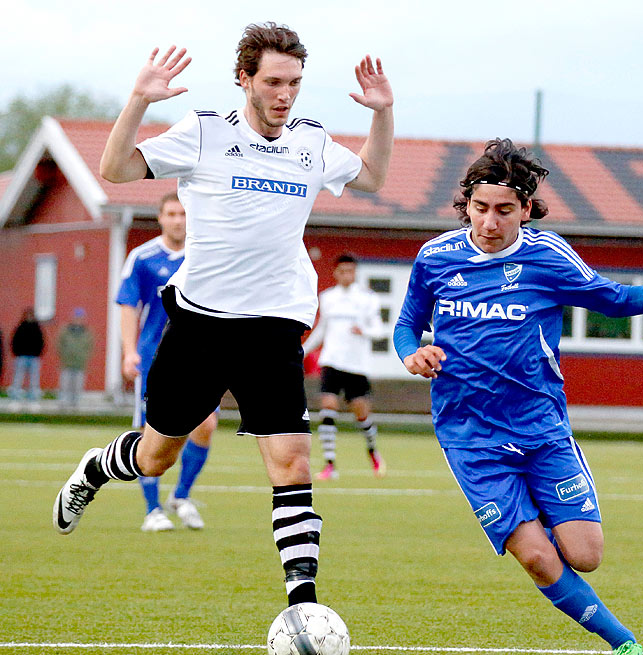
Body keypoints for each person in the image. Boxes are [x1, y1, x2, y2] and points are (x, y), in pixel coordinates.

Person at [53, 22, 394, 611]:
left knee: (291, 461)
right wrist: (138, 99)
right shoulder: (205, 133)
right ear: (245, 79)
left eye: (295, 82)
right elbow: (115, 168)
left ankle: (303, 606)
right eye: (273, 82)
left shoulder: (311, 142)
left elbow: (372, 177)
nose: (285, 94)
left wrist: (382, 114)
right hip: (201, 326)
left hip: (275, 326)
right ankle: (95, 468)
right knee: (157, 454)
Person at [393, 138, 643, 655]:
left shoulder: (547, 256)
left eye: (503, 210)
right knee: (538, 557)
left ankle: (538, 513)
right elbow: (407, 324)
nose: (489, 221)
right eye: (479, 208)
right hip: (470, 436)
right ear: (465, 205)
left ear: (526, 207)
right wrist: (413, 353)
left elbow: (612, 299)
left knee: (585, 553)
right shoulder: (436, 258)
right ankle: (624, 644)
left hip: (541, 429)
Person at [116, 192, 218, 532]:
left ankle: (181, 494)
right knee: (150, 431)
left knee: (206, 426)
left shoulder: (206, 256)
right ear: (160, 217)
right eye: (171, 214)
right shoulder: (142, 258)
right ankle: (152, 510)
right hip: (154, 359)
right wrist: (129, 351)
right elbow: (128, 306)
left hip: (201, 358)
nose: (178, 220)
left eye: (183, 214)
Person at [303, 253, 386, 480]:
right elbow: (322, 329)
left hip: (357, 365)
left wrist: (365, 331)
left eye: (350, 271)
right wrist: (304, 350)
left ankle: (373, 452)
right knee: (328, 407)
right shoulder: (327, 297)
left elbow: (379, 329)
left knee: (361, 414)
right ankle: (330, 464)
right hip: (331, 361)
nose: (346, 275)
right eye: (342, 271)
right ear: (335, 273)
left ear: (355, 272)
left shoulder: (368, 298)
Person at [56, 307, 94, 408]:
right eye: (76, 317)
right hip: (67, 363)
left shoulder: (87, 332)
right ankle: (63, 403)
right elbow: (59, 344)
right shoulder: (66, 330)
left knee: (77, 386)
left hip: (80, 364)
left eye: (80, 317)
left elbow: (90, 347)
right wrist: (64, 355)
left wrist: (84, 357)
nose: (78, 320)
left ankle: (75, 404)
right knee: (65, 385)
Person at [10, 307, 45, 407]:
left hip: (34, 357)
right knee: (18, 378)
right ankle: (15, 396)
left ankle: (33, 397)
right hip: (21, 356)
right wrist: (16, 353)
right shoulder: (20, 327)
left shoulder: (37, 328)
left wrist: (38, 353)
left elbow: (41, 342)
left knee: (34, 379)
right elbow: (14, 341)